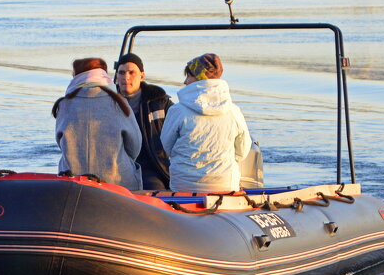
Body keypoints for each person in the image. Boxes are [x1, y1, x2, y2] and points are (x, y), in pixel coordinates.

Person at [160, 53, 251, 193]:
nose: (185, 81)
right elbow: (243, 150)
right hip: (225, 185)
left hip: (184, 185)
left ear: (198, 78)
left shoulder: (177, 111)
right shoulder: (234, 111)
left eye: (188, 76)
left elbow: (167, 146)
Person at [53, 57, 143, 191]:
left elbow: (61, 143)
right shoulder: (119, 102)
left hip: (72, 182)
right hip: (118, 182)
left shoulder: (64, 104)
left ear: (77, 77)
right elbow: (135, 146)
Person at [113, 52, 172, 190]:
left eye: (131, 72)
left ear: (142, 76)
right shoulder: (108, 103)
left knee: (154, 188)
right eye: (121, 73)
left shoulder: (161, 103)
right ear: (116, 76)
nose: (126, 77)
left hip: (152, 167)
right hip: (116, 168)